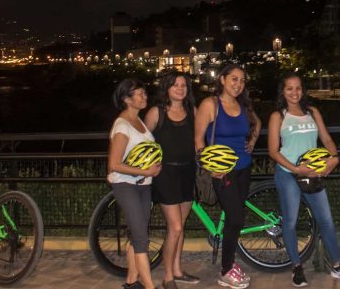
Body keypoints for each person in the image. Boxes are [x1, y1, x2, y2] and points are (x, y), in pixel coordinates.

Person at [268, 73, 340, 286]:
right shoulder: (278, 116)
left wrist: (334, 158)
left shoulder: (312, 112)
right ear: (283, 91)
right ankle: (296, 268)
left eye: (298, 88)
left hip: (313, 174)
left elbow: (326, 138)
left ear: (303, 90)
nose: (294, 92)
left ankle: (337, 264)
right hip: (288, 173)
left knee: (326, 221)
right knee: (290, 223)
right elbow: (273, 151)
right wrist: (296, 168)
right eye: (289, 88)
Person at [194, 64, 261, 289]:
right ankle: (226, 270)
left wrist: (251, 142)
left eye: (242, 81)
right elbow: (198, 140)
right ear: (222, 79)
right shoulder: (210, 104)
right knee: (235, 219)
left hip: (244, 167)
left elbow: (258, 123)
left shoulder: (243, 104)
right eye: (234, 79)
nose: (238, 84)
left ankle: (229, 261)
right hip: (222, 171)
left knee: (234, 218)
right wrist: (210, 165)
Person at [145, 72, 199, 289]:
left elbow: (198, 141)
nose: (180, 88)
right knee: (175, 227)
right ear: (166, 88)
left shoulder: (192, 112)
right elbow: (142, 143)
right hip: (165, 175)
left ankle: (177, 269)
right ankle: (167, 277)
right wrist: (145, 166)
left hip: (188, 173)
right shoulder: (156, 112)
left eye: (184, 85)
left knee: (181, 226)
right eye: (175, 85)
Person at [107, 78, 162, 289]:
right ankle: (150, 286)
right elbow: (115, 163)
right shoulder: (122, 126)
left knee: (137, 234)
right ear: (126, 99)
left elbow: (138, 153)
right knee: (141, 239)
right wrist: (145, 170)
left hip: (143, 184)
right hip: (126, 185)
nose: (145, 97)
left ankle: (131, 282)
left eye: (145, 93)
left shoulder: (139, 122)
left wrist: (152, 167)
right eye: (140, 94)